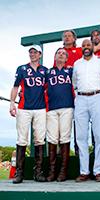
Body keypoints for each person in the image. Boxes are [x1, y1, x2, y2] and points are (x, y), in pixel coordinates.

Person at [9, 45, 47, 184]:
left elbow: (49, 89)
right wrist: (12, 103)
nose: (32, 54)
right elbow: (15, 87)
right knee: (22, 139)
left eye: (35, 52)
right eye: (30, 52)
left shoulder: (45, 71)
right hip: (24, 108)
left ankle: (38, 172)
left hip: (41, 108)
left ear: (40, 54)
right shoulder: (22, 69)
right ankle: (19, 173)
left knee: (39, 139)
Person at [73, 39, 100, 182]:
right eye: (84, 46)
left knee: (99, 135)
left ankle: (98, 171)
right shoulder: (76, 64)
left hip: (98, 97)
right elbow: (74, 82)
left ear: (93, 47)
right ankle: (84, 171)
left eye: (88, 45)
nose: (86, 47)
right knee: (81, 136)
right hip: (81, 99)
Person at [45, 48, 74, 182]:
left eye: (64, 53)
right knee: (52, 138)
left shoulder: (71, 70)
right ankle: (52, 171)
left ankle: (63, 171)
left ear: (67, 58)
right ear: (55, 56)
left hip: (67, 107)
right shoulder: (48, 72)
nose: (61, 55)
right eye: (59, 53)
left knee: (64, 137)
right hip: (51, 108)